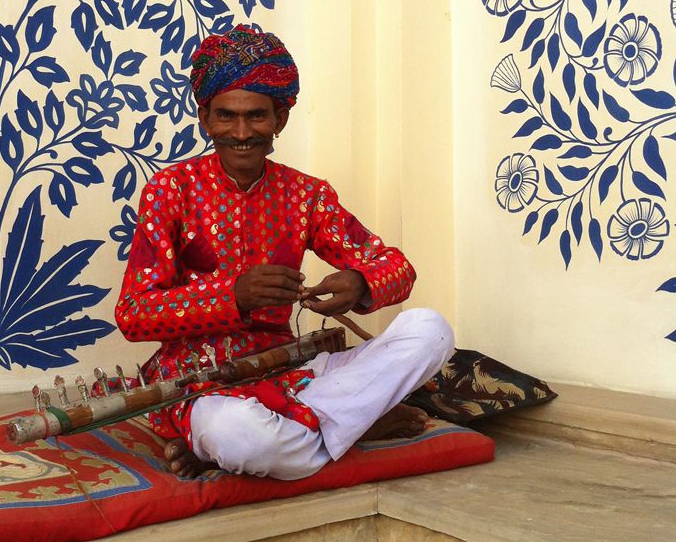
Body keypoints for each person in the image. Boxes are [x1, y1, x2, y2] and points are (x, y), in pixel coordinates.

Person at [115, 25, 454, 480]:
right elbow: (133, 313)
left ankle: (281, 440)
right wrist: (232, 296)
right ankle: (348, 426)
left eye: (256, 116)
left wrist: (359, 284)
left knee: (431, 331)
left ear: (280, 119)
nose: (240, 132)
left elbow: (397, 268)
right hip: (200, 384)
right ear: (204, 118)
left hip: (293, 373)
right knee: (234, 432)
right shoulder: (170, 190)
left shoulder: (305, 195)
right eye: (225, 117)